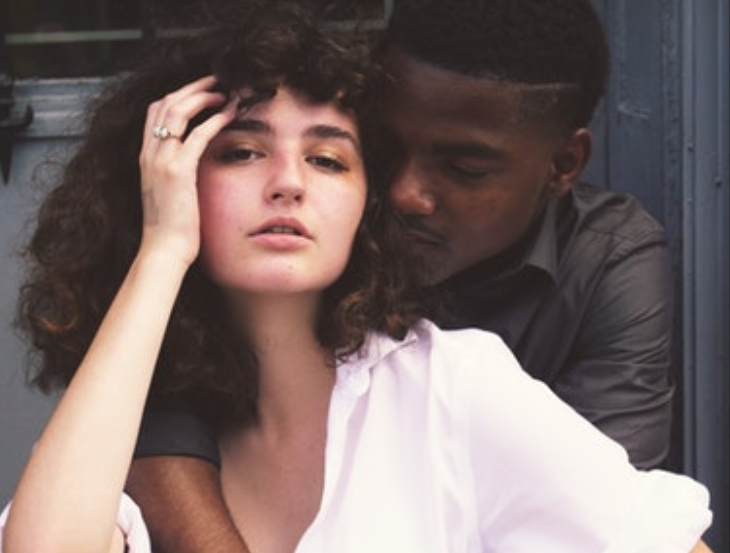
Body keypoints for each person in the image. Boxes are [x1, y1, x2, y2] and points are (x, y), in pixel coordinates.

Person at [0, 1, 714, 552]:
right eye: (242, 151)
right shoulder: (116, 421)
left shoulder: (452, 387)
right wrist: (161, 249)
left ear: (364, 203)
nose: (288, 183)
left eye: (329, 159)